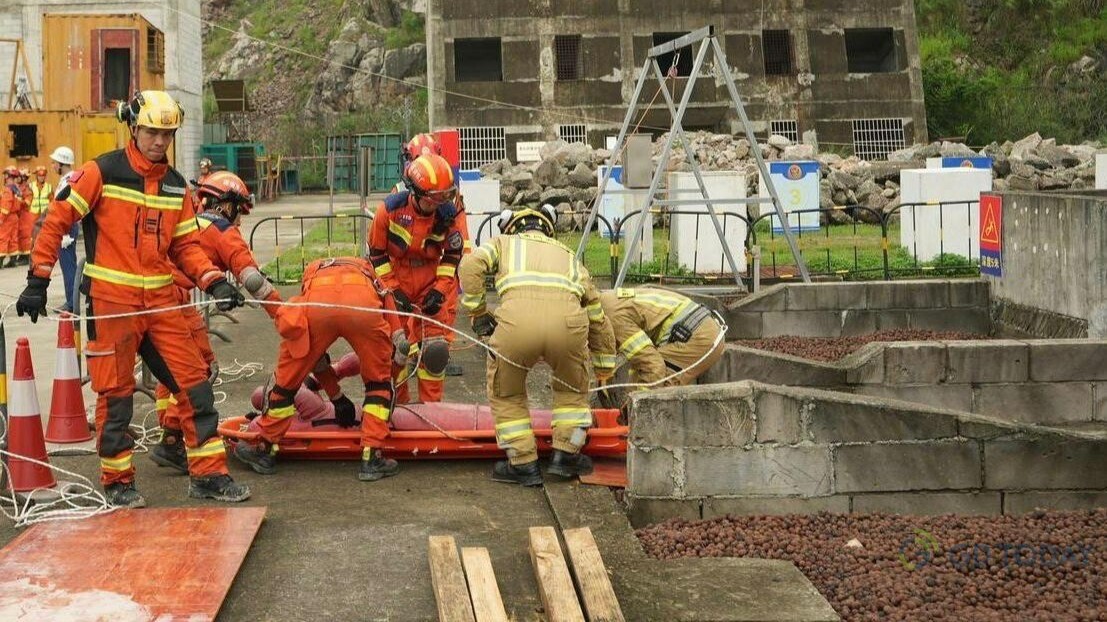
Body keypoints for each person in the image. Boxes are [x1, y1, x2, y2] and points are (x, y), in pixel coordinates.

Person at [16, 90, 250, 508]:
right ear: (133, 127)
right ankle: (117, 481)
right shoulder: (100, 172)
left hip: (161, 303)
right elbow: (57, 221)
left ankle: (208, 475)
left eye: (166, 134)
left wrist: (214, 280)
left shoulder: (177, 186)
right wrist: (38, 279)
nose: (159, 142)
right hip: (112, 303)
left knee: (195, 386)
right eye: (151, 132)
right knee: (117, 396)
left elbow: (187, 247)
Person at [457, 204, 616, 486]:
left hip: (517, 326)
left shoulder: (503, 243)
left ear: (510, 226)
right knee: (571, 390)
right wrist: (604, 366)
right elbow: (596, 315)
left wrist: (479, 313)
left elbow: (469, 266)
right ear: (548, 228)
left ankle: (522, 464)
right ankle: (565, 456)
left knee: (508, 394)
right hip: (567, 327)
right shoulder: (568, 256)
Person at [150, 171, 284, 474]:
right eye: (239, 211)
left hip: (157, 297)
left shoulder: (189, 223)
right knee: (201, 369)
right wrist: (284, 315)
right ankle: (171, 440)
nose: (240, 220)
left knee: (168, 371)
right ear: (225, 205)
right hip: (173, 301)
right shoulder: (223, 230)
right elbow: (251, 279)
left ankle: (169, 431)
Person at [232, 256, 402, 482]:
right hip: (363, 308)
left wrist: (336, 396)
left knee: (284, 386)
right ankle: (372, 456)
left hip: (317, 308)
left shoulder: (314, 271)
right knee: (378, 384)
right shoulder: (368, 271)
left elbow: (312, 354)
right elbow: (390, 309)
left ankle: (264, 449)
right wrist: (396, 352)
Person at [369, 153, 468, 403]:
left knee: (435, 351)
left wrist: (440, 290)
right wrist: (393, 290)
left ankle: (431, 409)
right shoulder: (389, 210)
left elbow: (453, 254)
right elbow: (377, 255)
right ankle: (399, 404)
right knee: (397, 349)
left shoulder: (447, 214)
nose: (439, 203)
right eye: (434, 198)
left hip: (430, 281)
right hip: (395, 279)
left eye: (445, 196)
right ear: (416, 192)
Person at [597, 287, 725, 394]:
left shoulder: (611, 318)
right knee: (640, 375)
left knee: (659, 389)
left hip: (697, 336)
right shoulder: (607, 300)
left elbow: (653, 366)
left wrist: (634, 407)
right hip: (703, 328)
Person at [47, 147, 80, 311]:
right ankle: (71, 301)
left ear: (62, 163)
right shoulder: (65, 180)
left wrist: (66, 232)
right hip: (65, 227)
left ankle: (72, 303)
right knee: (68, 266)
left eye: (54, 163)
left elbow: (68, 208)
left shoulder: (69, 181)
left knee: (69, 267)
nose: (52, 166)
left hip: (67, 228)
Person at [0, 166, 23, 267]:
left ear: (8, 176)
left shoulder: (7, 190)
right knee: (13, 238)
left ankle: (0, 261)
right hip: (15, 217)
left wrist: (1, 218)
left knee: (3, 238)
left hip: (7, 217)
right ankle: (13, 261)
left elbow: (6, 205)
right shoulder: (16, 189)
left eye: (5, 175)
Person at [28, 165, 52, 245]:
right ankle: (32, 248)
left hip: (45, 214)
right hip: (33, 213)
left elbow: (52, 201)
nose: (41, 178)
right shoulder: (31, 186)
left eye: (43, 176)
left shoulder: (49, 187)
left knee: (44, 232)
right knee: (32, 232)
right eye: (39, 176)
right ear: (36, 176)